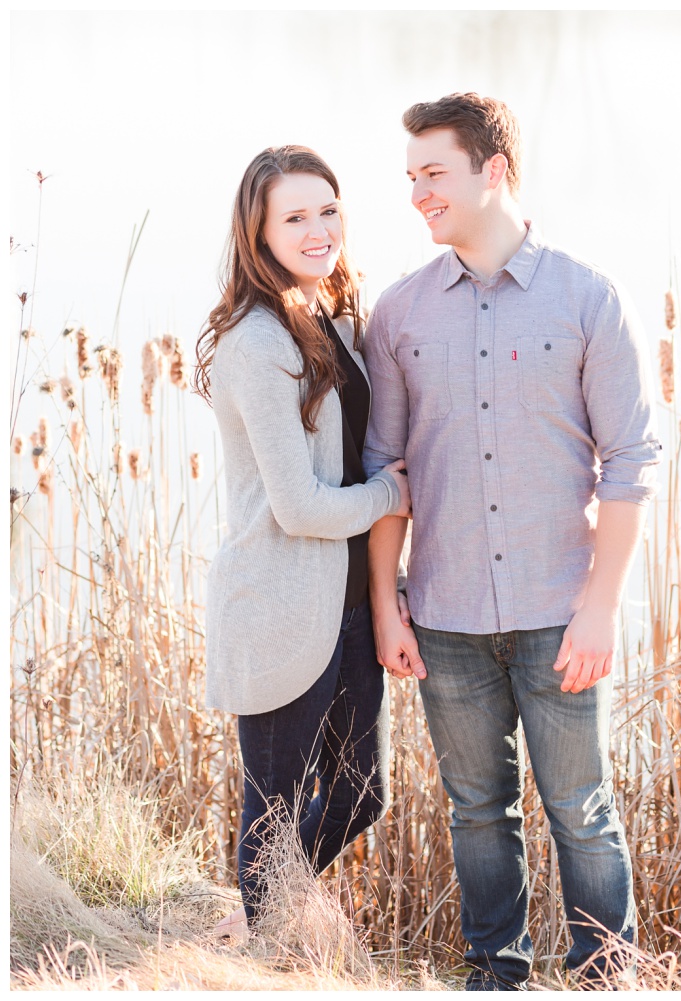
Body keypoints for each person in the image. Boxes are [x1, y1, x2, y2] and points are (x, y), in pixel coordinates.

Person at [361, 93, 660, 990]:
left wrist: (601, 606)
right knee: (477, 814)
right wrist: (388, 604)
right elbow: (386, 469)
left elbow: (633, 460)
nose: (417, 193)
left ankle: (607, 977)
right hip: (445, 618)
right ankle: (496, 976)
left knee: (581, 809)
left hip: (557, 612)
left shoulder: (585, 297)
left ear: (494, 170)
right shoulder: (401, 313)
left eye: (434, 173)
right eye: (410, 177)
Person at [196, 146, 412, 939]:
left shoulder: (325, 314)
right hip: (281, 602)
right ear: (258, 231)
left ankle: (260, 912)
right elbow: (298, 507)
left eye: (328, 210)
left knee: (362, 795)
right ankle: (258, 945)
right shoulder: (256, 342)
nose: (319, 229)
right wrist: (394, 492)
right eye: (295, 216)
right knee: (276, 803)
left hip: (350, 603)